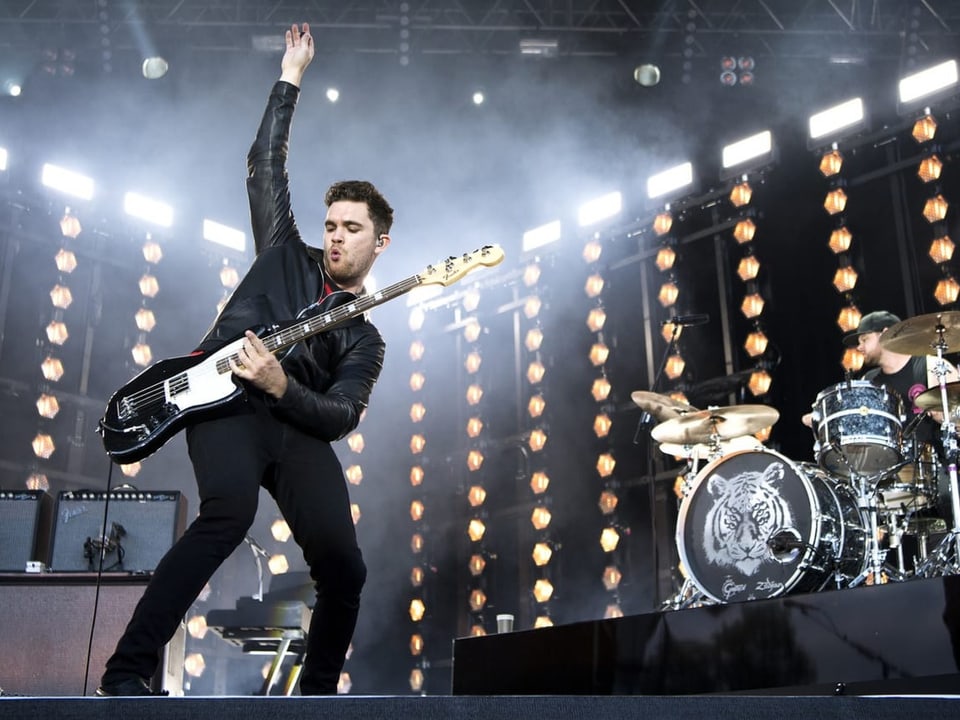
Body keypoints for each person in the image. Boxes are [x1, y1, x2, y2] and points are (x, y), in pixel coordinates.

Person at [97, 23, 392, 696]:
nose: (337, 237)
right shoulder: (286, 250)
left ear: (382, 242)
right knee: (226, 516)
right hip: (225, 404)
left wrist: (284, 384)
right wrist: (290, 77)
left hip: (293, 422)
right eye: (333, 225)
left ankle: (316, 697)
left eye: (353, 229)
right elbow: (265, 161)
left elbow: (340, 415)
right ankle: (125, 673)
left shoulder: (366, 339)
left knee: (344, 567)